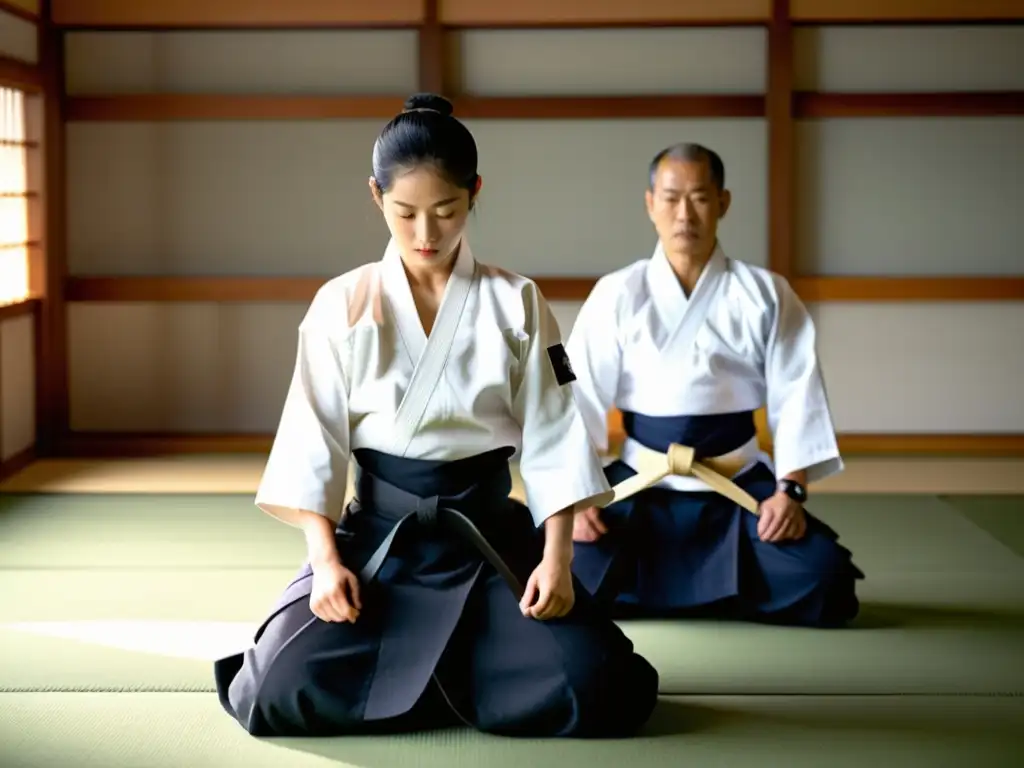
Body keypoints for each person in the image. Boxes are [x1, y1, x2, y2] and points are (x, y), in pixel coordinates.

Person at [213, 94, 660, 739]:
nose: (427, 234)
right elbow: (310, 441)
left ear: (475, 193)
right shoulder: (342, 303)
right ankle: (458, 681)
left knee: (599, 686)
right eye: (406, 213)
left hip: (487, 543)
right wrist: (325, 560)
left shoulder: (517, 302)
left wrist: (558, 559)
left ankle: (425, 682)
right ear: (376, 197)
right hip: (376, 546)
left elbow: (556, 437)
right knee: (274, 692)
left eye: (446, 211)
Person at [565, 142, 863, 629]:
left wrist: (790, 491)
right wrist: (575, 500)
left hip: (738, 484)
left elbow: (798, 395)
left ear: (722, 203)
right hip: (644, 482)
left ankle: (674, 591)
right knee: (563, 565)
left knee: (825, 580)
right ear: (650, 204)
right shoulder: (618, 293)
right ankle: (732, 594)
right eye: (671, 198)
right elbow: (576, 400)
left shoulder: (765, 292)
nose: (685, 213)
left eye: (700, 197)